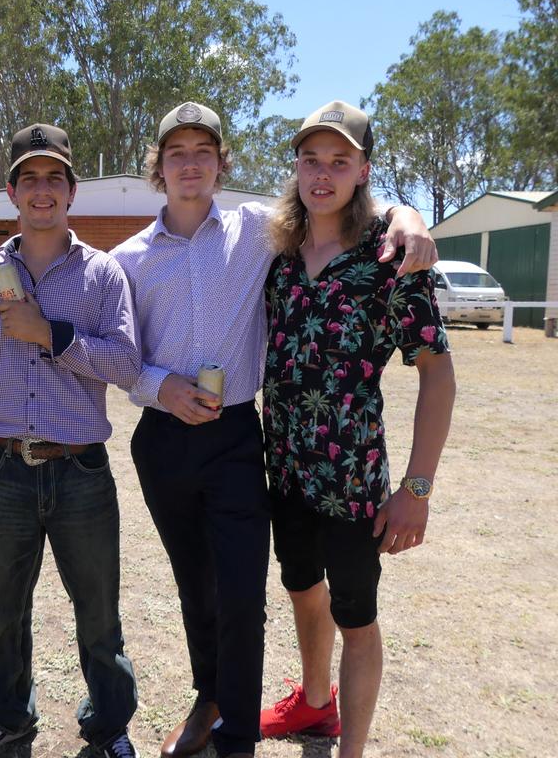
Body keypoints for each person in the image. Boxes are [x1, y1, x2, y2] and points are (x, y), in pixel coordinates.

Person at [110, 102, 438, 758]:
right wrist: (158, 387)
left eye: (205, 150)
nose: (191, 163)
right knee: (199, 583)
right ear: (159, 167)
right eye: (177, 152)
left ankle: (236, 733)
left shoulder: (260, 230)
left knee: (241, 592)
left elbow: (353, 216)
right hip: (174, 440)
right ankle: (214, 698)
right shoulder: (128, 258)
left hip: (244, 440)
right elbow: (117, 356)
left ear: (222, 164)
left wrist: (409, 213)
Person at [258, 101, 455, 757]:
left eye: (339, 161)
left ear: (363, 169)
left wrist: (417, 490)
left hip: (352, 483)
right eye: (311, 159)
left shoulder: (392, 256)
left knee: (357, 618)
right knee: (299, 587)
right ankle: (316, 705)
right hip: (284, 469)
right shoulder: (280, 255)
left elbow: (438, 376)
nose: (323, 174)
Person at [0, 124, 142, 758]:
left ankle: (108, 725)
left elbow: (128, 365)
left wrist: (52, 334)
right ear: (11, 192)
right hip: (3, 471)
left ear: (72, 191)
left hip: (80, 471)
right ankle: (7, 714)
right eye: (30, 178)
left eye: (55, 177)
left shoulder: (103, 274)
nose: (42, 190)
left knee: (98, 613)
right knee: (4, 612)